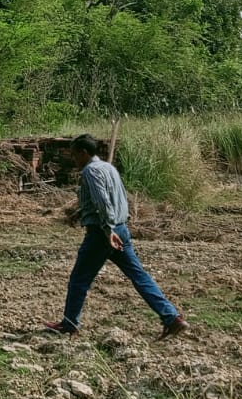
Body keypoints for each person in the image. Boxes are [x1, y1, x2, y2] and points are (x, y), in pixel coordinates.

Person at [43, 135, 189, 339]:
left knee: (79, 280)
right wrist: (84, 215)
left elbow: (103, 202)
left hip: (102, 234)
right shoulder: (109, 168)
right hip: (121, 229)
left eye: (75, 154)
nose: (74, 159)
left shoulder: (90, 171)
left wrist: (107, 229)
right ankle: (171, 318)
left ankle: (69, 324)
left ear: (84, 153)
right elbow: (116, 200)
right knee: (139, 275)